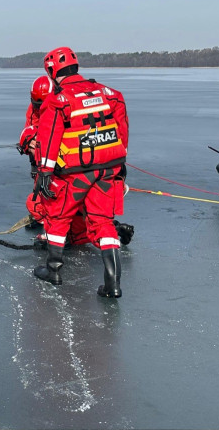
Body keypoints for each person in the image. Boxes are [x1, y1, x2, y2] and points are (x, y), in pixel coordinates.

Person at [31, 47, 129, 297]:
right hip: (108, 170)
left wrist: (44, 171)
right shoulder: (110, 94)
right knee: (103, 222)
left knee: (58, 216)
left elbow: (49, 137)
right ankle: (113, 283)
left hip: (74, 172)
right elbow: (121, 130)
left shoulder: (58, 100)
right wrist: (121, 162)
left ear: (52, 72)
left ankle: (53, 271)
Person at [19, 75, 134, 249]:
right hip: (82, 171)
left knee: (45, 209)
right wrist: (29, 141)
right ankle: (112, 229)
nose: (40, 107)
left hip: (69, 175)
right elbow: (31, 129)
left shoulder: (64, 105)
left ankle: (59, 242)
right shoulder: (39, 109)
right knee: (90, 214)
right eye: (36, 104)